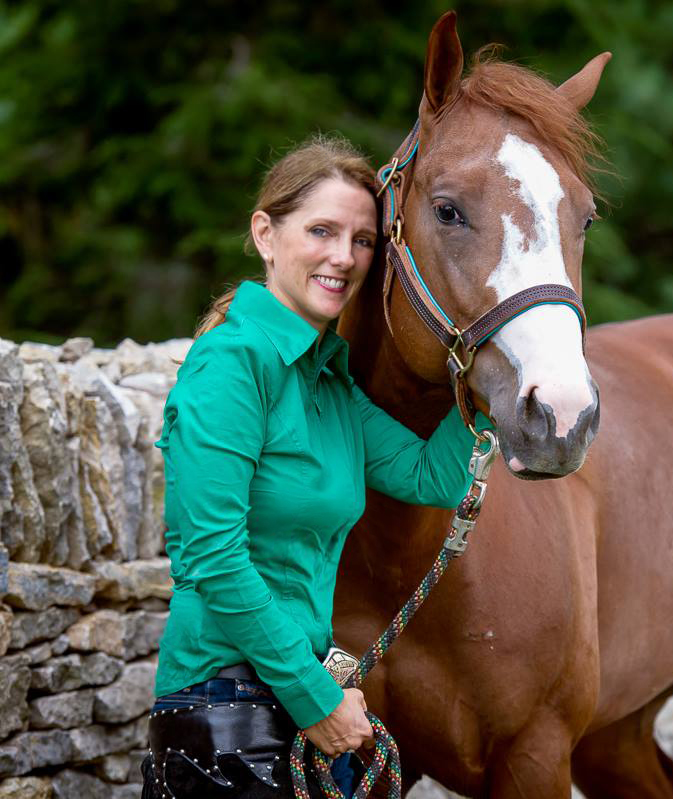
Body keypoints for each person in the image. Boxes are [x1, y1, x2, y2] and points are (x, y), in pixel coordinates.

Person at [142, 134, 485, 798]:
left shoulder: (329, 381)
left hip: (291, 693)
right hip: (223, 702)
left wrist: (490, 378)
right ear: (265, 233)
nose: (344, 256)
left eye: (362, 239)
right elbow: (214, 555)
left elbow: (430, 477)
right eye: (322, 231)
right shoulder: (233, 364)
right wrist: (317, 699)